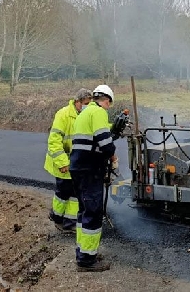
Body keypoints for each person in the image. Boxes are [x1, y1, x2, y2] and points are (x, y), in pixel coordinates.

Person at [69, 84, 117, 272]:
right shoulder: (98, 113)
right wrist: (113, 157)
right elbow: (105, 142)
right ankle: (87, 261)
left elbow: (91, 139)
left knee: (83, 211)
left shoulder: (84, 113)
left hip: (79, 168)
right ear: (106, 101)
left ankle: (84, 252)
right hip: (90, 169)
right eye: (109, 105)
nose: (108, 108)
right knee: (93, 212)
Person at [44, 88, 93, 233]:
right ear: (77, 102)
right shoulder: (63, 114)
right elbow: (54, 141)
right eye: (85, 103)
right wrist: (62, 162)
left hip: (76, 162)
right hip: (63, 163)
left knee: (74, 193)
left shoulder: (85, 115)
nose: (87, 106)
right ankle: (57, 217)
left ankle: (69, 222)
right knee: (63, 192)